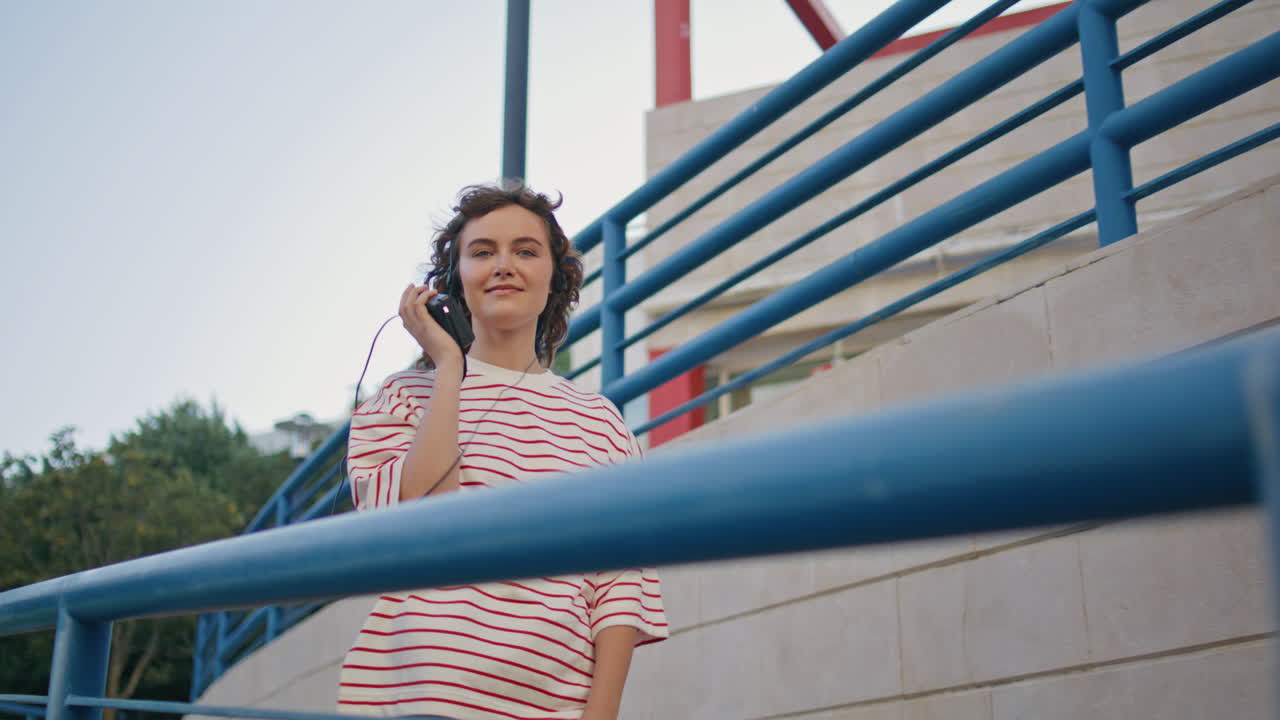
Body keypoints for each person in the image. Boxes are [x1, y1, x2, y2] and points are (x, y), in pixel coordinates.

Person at [338, 182, 668, 720]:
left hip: (552, 704)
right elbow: (422, 520)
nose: (504, 265)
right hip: (418, 694)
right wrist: (448, 369)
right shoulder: (404, 396)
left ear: (554, 279)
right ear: (452, 282)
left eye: (526, 250)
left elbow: (621, 587)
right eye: (483, 251)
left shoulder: (603, 424)